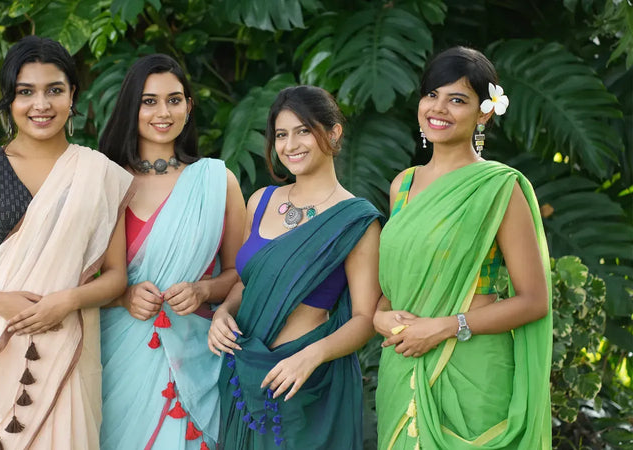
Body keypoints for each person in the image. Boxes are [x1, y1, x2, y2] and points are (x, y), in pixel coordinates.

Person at [0, 36, 132, 450]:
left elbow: (115, 278)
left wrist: (66, 300)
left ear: (73, 95)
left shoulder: (96, 174)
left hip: (66, 344)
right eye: (26, 92)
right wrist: (2, 303)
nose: (41, 104)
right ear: (9, 101)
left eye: (54, 90)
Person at [374, 46, 552, 449]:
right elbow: (393, 287)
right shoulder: (402, 186)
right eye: (432, 94)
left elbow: (534, 300)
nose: (440, 108)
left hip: (473, 368)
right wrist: (379, 319)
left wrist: (444, 327)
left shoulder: (498, 188)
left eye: (458, 100)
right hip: (404, 366)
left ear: (484, 112)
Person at [208, 85, 384, 449]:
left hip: (306, 382)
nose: (291, 145)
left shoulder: (356, 220)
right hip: (245, 372)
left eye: (303, 130)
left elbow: (365, 318)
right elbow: (249, 281)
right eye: (281, 135)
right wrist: (222, 312)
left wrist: (311, 356)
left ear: (334, 132)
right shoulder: (261, 200)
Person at [98, 54, 246, 450]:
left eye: (174, 99)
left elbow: (241, 273)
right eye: (149, 101)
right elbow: (75, 281)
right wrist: (124, 296)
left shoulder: (217, 181)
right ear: (132, 107)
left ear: (189, 106)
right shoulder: (105, 180)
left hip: (194, 353)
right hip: (116, 358)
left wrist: (203, 291)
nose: (163, 112)